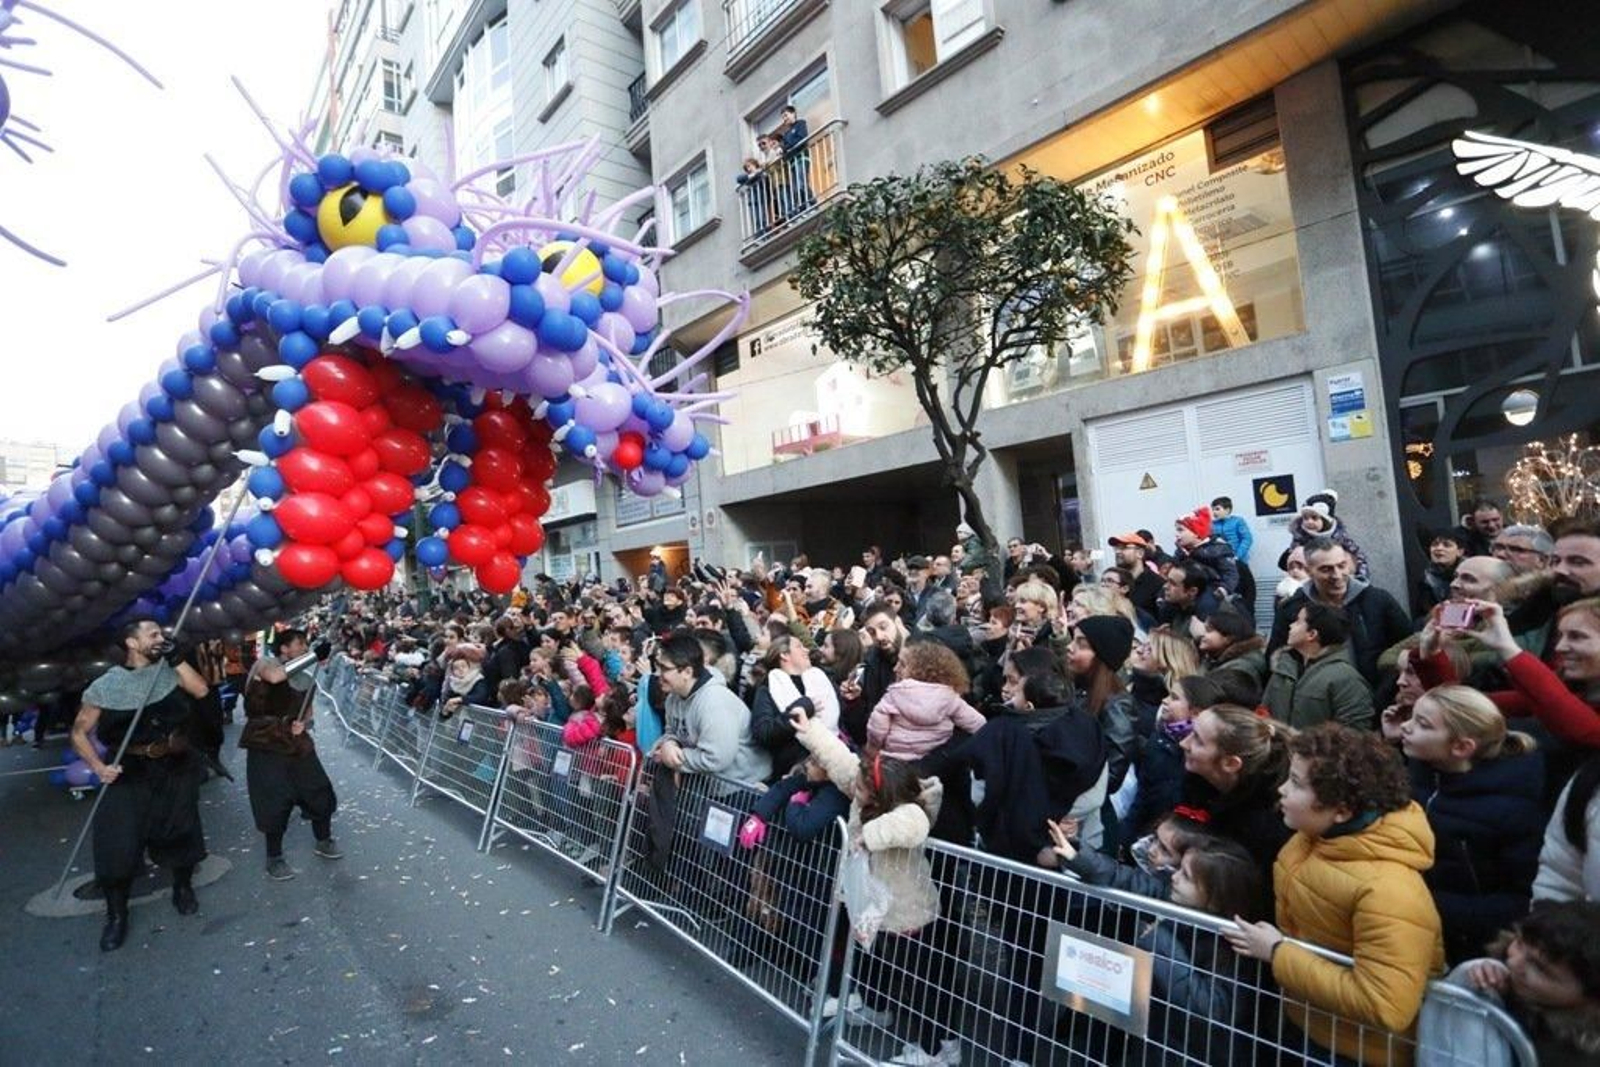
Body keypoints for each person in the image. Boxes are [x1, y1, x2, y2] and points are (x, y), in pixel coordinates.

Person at [1224, 724, 1445, 1065]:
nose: (1282, 790)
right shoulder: (1314, 838)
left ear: (1341, 811)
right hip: (1307, 1027)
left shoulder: (1388, 891)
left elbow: (1385, 1004)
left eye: (1296, 783)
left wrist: (1278, 953)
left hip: (1355, 1054)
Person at [789, 702, 954, 1066]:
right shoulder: (868, 787)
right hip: (874, 907)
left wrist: (868, 835)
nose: (855, 790)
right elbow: (841, 761)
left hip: (907, 914)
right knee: (877, 963)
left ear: (879, 797)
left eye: (861, 789)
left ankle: (937, 1049)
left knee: (921, 984)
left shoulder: (908, 809)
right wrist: (809, 728)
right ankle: (878, 1008)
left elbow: (912, 823)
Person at [72, 617, 212, 952]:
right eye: (153, 635)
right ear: (132, 643)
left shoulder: (170, 669)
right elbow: (79, 732)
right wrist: (98, 767)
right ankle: (116, 915)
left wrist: (176, 659)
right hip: (129, 769)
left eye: (161, 633)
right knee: (117, 842)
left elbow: (201, 690)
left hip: (175, 765)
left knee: (181, 829)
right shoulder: (106, 685)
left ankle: (182, 887)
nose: (160, 638)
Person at [1398, 684, 1543, 964]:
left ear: (1462, 747)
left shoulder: (1511, 810)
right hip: (1414, 926)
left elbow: (1519, 899)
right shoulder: (1421, 775)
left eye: (1422, 724)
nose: (1406, 726)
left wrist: (1425, 902)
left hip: (1469, 948)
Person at [1424, 902, 1600, 1066]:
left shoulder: (1579, 1053)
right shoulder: (1497, 975)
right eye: (1519, 944)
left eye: (1540, 968)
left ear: (1591, 999)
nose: (1514, 963)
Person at [241, 629, 341, 882]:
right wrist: (313, 657)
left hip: (296, 743)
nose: (305, 647)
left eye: (307, 644)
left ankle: (324, 839)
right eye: (300, 644)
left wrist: (303, 725)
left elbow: (308, 714)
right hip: (265, 741)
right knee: (273, 799)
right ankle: (274, 857)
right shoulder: (265, 664)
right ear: (284, 648)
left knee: (318, 789)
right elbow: (275, 678)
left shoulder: (306, 678)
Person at [1269, 537, 1411, 688]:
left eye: (1341, 566)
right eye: (1326, 569)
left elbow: (1407, 646)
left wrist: (1386, 688)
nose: (1337, 575)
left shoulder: (1378, 601)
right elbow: (1277, 657)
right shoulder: (1291, 608)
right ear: (1309, 571)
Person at [1178, 705, 1293, 886]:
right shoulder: (1198, 784)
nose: (1184, 743)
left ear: (1230, 764)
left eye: (1198, 740)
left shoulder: (1263, 829)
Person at [650, 630, 772, 785]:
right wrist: (669, 744)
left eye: (664, 668)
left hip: (742, 785)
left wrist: (674, 759)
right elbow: (672, 731)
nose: (657, 674)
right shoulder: (673, 697)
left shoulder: (715, 702)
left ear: (687, 672)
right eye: (658, 666)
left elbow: (716, 758)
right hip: (710, 784)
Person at [1124, 674, 1223, 840]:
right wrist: (1127, 836)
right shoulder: (1159, 739)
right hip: (1148, 831)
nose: (1165, 700)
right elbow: (1143, 794)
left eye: (1175, 698)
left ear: (1195, 712)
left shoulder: (1207, 756)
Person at [866, 641, 985, 763]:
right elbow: (979, 724)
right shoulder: (950, 698)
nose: (895, 668)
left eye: (902, 664)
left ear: (920, 669)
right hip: (935, 759)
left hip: (894, 759)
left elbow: (877, 729)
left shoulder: (893, 696)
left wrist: (872, 748)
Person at [1263, 602, 1374, 730]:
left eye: (1298, 622)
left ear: (1311, 634)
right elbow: (1264, 711)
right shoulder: (1284, 668)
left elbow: (1354, 734)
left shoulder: (1347, 679)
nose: (1291, 625)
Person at [749, 635, 840, 779]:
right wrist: (802, 708)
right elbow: (763, 732)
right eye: (799, 646)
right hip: (792, 771)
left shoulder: (820, 680)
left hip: (829, 762)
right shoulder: (769, 687)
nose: (806, 650)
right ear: (784, 655)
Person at [1287, 489, 1371, 581]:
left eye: (1314, 518)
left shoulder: (1339, 537)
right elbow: (1293, 560)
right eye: (1305, 518)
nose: (1309, 522)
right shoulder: (1300, 538)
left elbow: (1359, 557)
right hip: (1310, 579)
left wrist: (1361, 577)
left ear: (1326, 521)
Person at [1198, 608, 1269, 694]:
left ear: (1228, 638)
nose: (1202, 635)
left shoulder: (1241, 668)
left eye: (1209, 631)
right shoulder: (1213, 658)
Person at [1417, 530, 1468, 619]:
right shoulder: (1426, 578)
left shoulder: (1471, 572)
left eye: (1447, 545)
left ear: (1460, 552)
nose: (1439, 548)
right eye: (1435, 545)